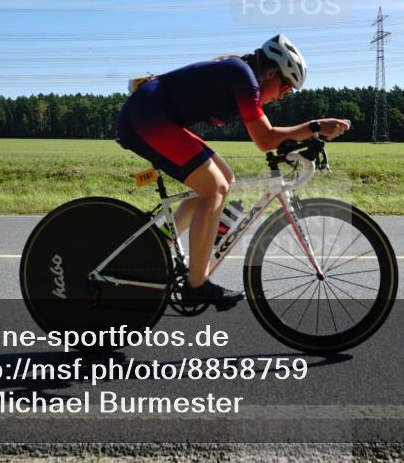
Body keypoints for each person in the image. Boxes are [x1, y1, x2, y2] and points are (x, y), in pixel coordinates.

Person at [116, 35, 351, 309]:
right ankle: (197, 285)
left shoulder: (243, 76)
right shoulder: (242, 76)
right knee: (214, 188)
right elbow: (265, 139)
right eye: (285, 87)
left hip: (154, 116)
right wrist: (314, 126)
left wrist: (305, 137)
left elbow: (270, 137)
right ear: (271, 72)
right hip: (146, 118)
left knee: (224, 179)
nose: (281, 96)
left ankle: (156, 248)